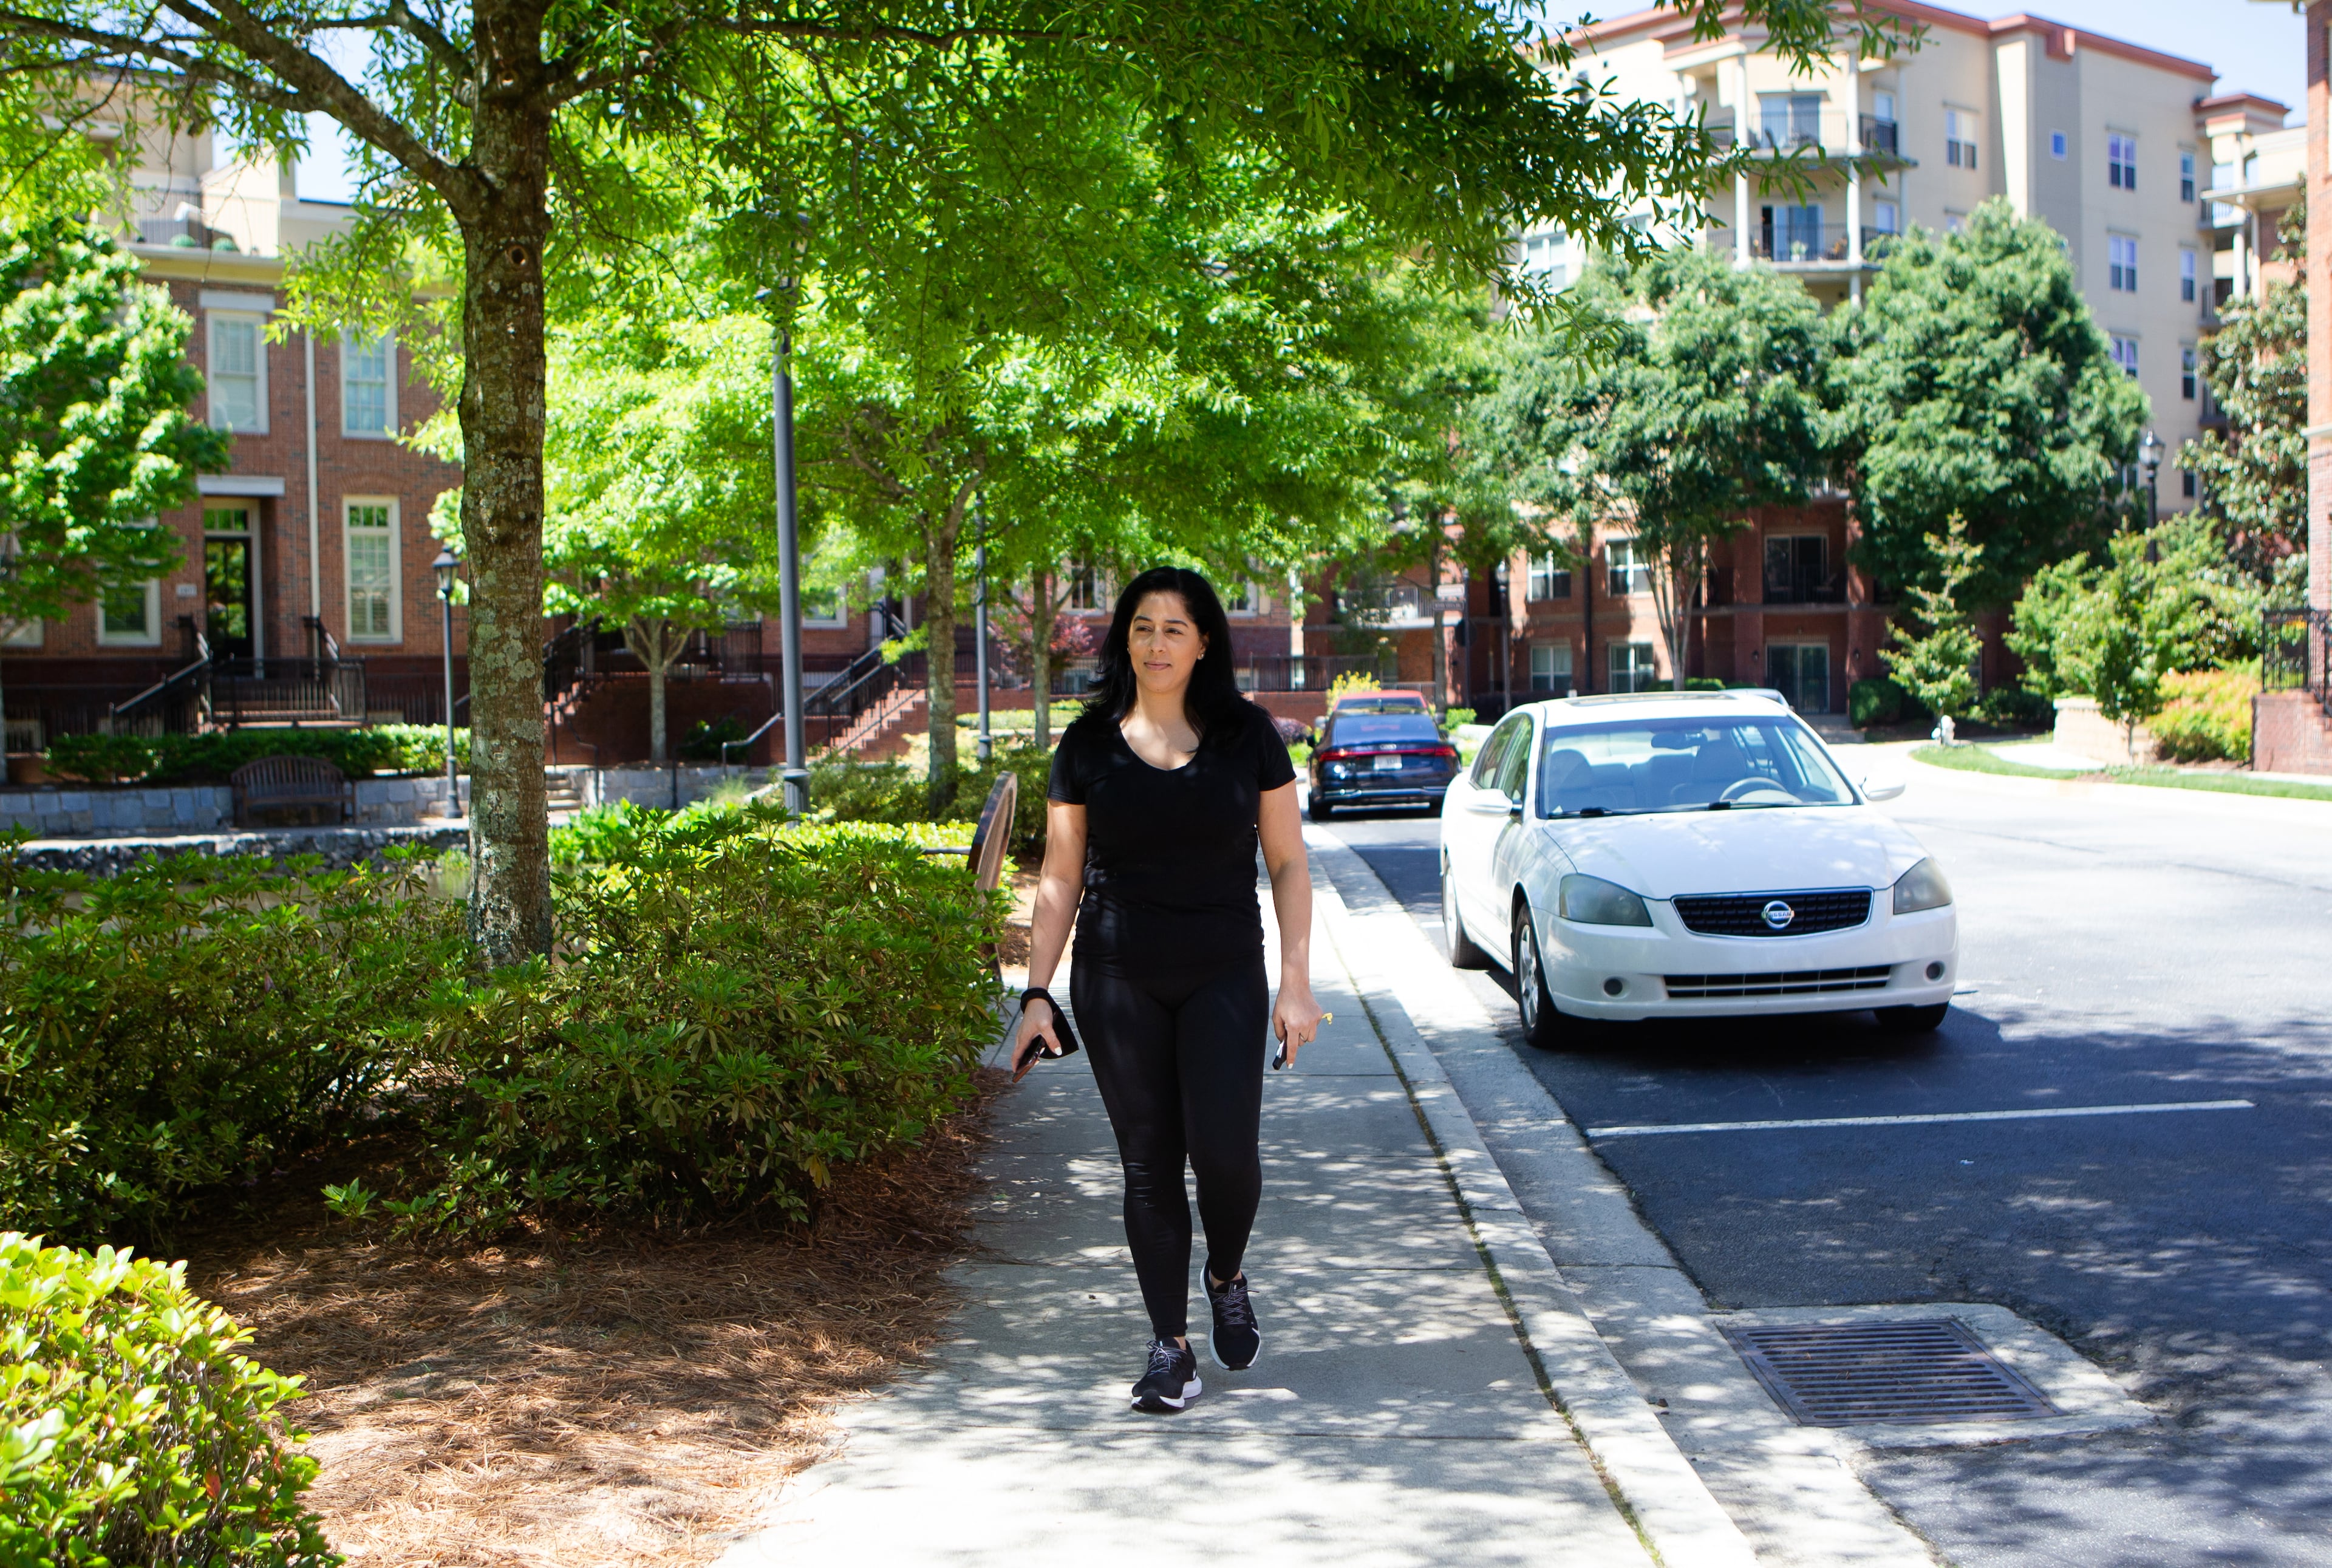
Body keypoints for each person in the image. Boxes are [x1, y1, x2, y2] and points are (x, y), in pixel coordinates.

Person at [1012, 565, 1326, 1414]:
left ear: (1204, 642)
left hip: (1224, 966)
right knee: (1149, 1163)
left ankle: (1226, 1271)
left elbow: (1290, 861)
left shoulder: (1248, 736)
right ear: (1126, 638)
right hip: (1117, 976)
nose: (1156, 643)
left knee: (1226, 1156)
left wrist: (1295, 984)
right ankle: (1170, 1346)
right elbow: (1061, 873)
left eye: (1174, 628)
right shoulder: (1085, 744)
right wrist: (1037, 991)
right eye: (1142, 626)